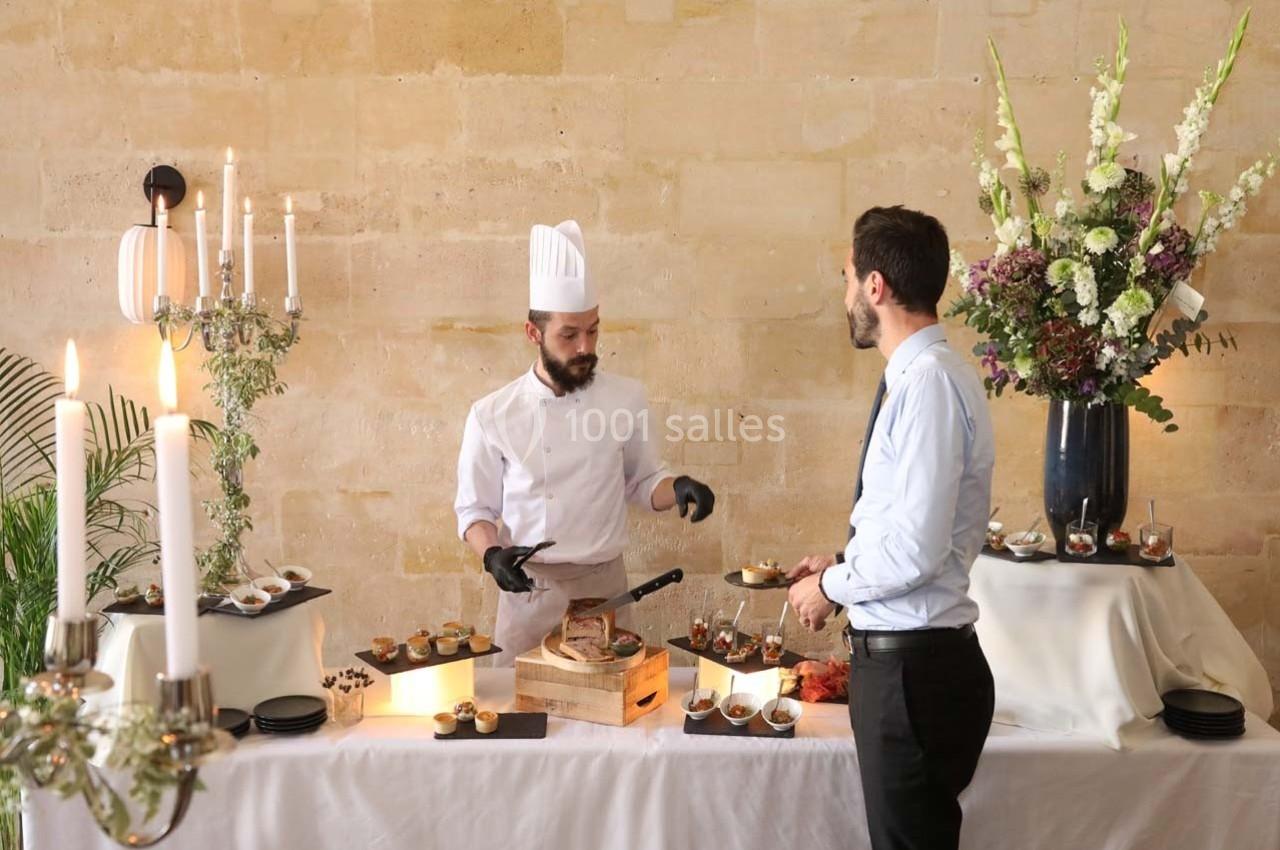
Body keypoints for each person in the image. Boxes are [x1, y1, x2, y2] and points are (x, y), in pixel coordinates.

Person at [787, 206, 997, 850]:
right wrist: (841, 562)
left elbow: (917, 550)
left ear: (875, 286)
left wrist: (832, 586)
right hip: (913, 669)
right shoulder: (926, 377)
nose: (846, 294)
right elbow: (910, 526)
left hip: (914, 676)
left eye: (848, 278)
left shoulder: (928, 385)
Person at [455, 219, 716, 666]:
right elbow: (474, 510)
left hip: (604, 590)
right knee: (522, 704)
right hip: (530, 594)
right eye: (569, 334)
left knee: (611, 705)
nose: (585, 347)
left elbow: (643, 481)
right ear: (533, 333)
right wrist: (492, 554)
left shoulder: (625, 398)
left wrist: (677, 487)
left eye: (593, 330)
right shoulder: (492, 414)